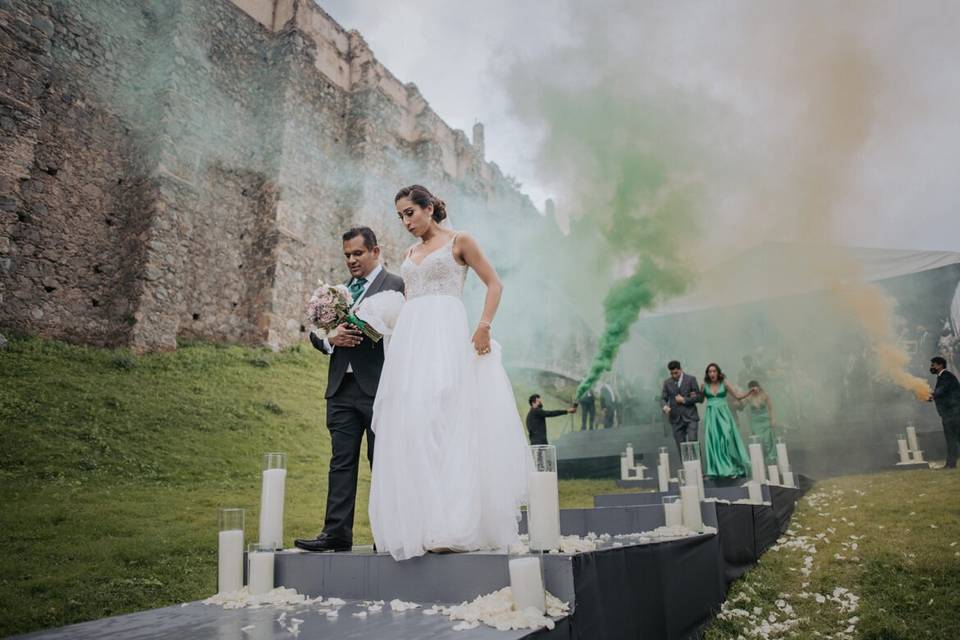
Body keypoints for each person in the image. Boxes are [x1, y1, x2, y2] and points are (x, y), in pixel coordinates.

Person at [368, 185, 531, 560]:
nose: (406, 221)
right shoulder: (409, 253)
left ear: (429, 208)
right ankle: (424, 521)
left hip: (446, 334)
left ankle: (453, 522)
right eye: (400, 216)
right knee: (414, 422)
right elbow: (411, 299)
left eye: (410, 212)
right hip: (412, 341)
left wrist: (485, 324)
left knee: (446, 416)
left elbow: (494, 283)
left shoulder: (460, 240)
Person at [295, 227, 405, 553]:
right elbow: (316, 334)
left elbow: (408, 333)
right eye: (347, 255)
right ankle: (336, 534)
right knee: (340, 462)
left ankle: (388, 535)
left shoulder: (397, 285)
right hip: (341, 388)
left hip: (379, 388)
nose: (352, 260)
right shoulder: (337, 292)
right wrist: (332, 339)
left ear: (375, 251)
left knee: (382, 462)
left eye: (357, 253)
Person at [701, 363, 754, 478]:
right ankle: (719, 470)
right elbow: (700, 400)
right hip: (711, 416)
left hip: (724, 414)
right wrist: (692, 395)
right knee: (714, 441)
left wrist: (749, 393)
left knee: (727, 437)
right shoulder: (704, 385)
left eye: (714, 371)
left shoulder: (724, 383)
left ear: (718, 373)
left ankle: (733, 465)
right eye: (710, 372)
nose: (712, 373)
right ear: (707, 374)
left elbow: (738, 396)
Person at [661, 360, 703, 456]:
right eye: (672, 373)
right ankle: (686, 469)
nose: (674, 375)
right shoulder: (667, 383)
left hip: (690, 417)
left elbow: (698, 398)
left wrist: (684, 400)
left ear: (681, 370)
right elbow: (663, 398)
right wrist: (665, 406)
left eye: (676, 373)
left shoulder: (691, 379)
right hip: (676, 419)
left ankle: (697, 468)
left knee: (693, 442)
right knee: (681, 447)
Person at [929, 356, 960, 469]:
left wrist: (931, 395)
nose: (931, 367)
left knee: (952, 439)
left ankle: (951, 464)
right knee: (952, 439)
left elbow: (941, 390)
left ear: (940, 365)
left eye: (933, 365)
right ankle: (951, 464)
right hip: (950, 414)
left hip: (953, 414)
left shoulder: (946, 376)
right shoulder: (943, 376)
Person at [744, 380, 777, 463]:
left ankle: (771, 459)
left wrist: (773, 419)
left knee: (768, 440)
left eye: (755, 388)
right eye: (751, 389)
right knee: (759, 440)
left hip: (765, 420)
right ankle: (760, 460)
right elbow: (742, 405)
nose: (754, 390)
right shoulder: (748, 397)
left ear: (758, 387)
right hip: (755, 422)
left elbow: (770, 408)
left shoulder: (764, 395)